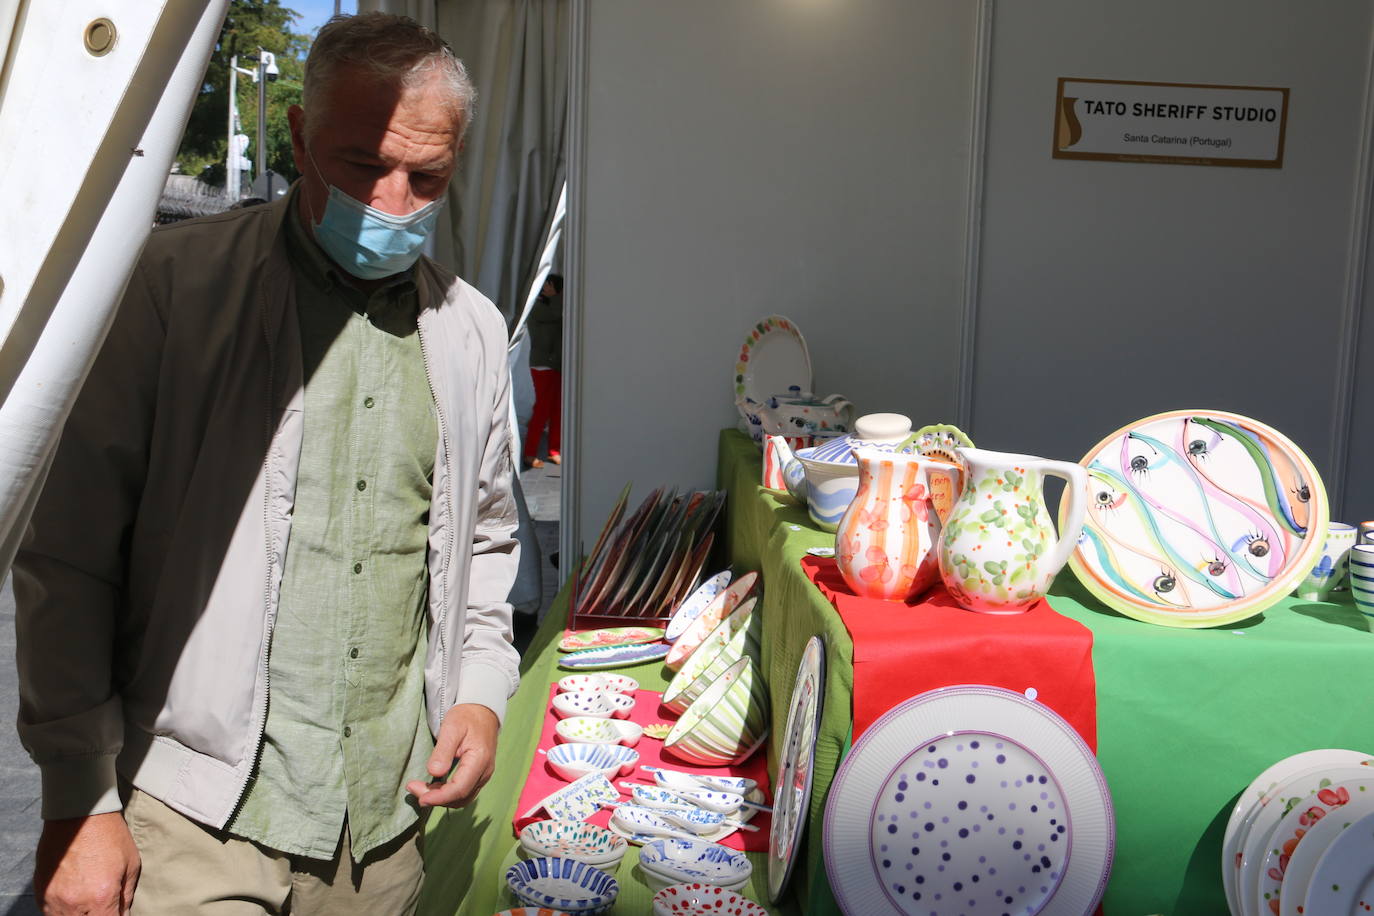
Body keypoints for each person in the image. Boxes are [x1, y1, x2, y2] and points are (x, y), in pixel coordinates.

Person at [14, 13, 520, 915]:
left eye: (427, 177)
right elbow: (71, 555)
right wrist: (80, 800)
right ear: (298, 136)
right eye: (363, 165)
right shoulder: (170, 290)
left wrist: (479, 693)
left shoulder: (473, 332)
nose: (394, 203)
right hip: (189, 820)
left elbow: (485, 539)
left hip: (384, 827)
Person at [522, 273, 563, 469]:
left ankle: (554, 451)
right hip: (542, 365)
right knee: (542, 411)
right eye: (547, 286)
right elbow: (555, 315)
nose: (548, 289)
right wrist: (559, 296)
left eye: (552, 286)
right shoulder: (538, 306)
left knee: (557, 410)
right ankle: (529, 454)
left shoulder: (552, 304)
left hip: (555, 365)